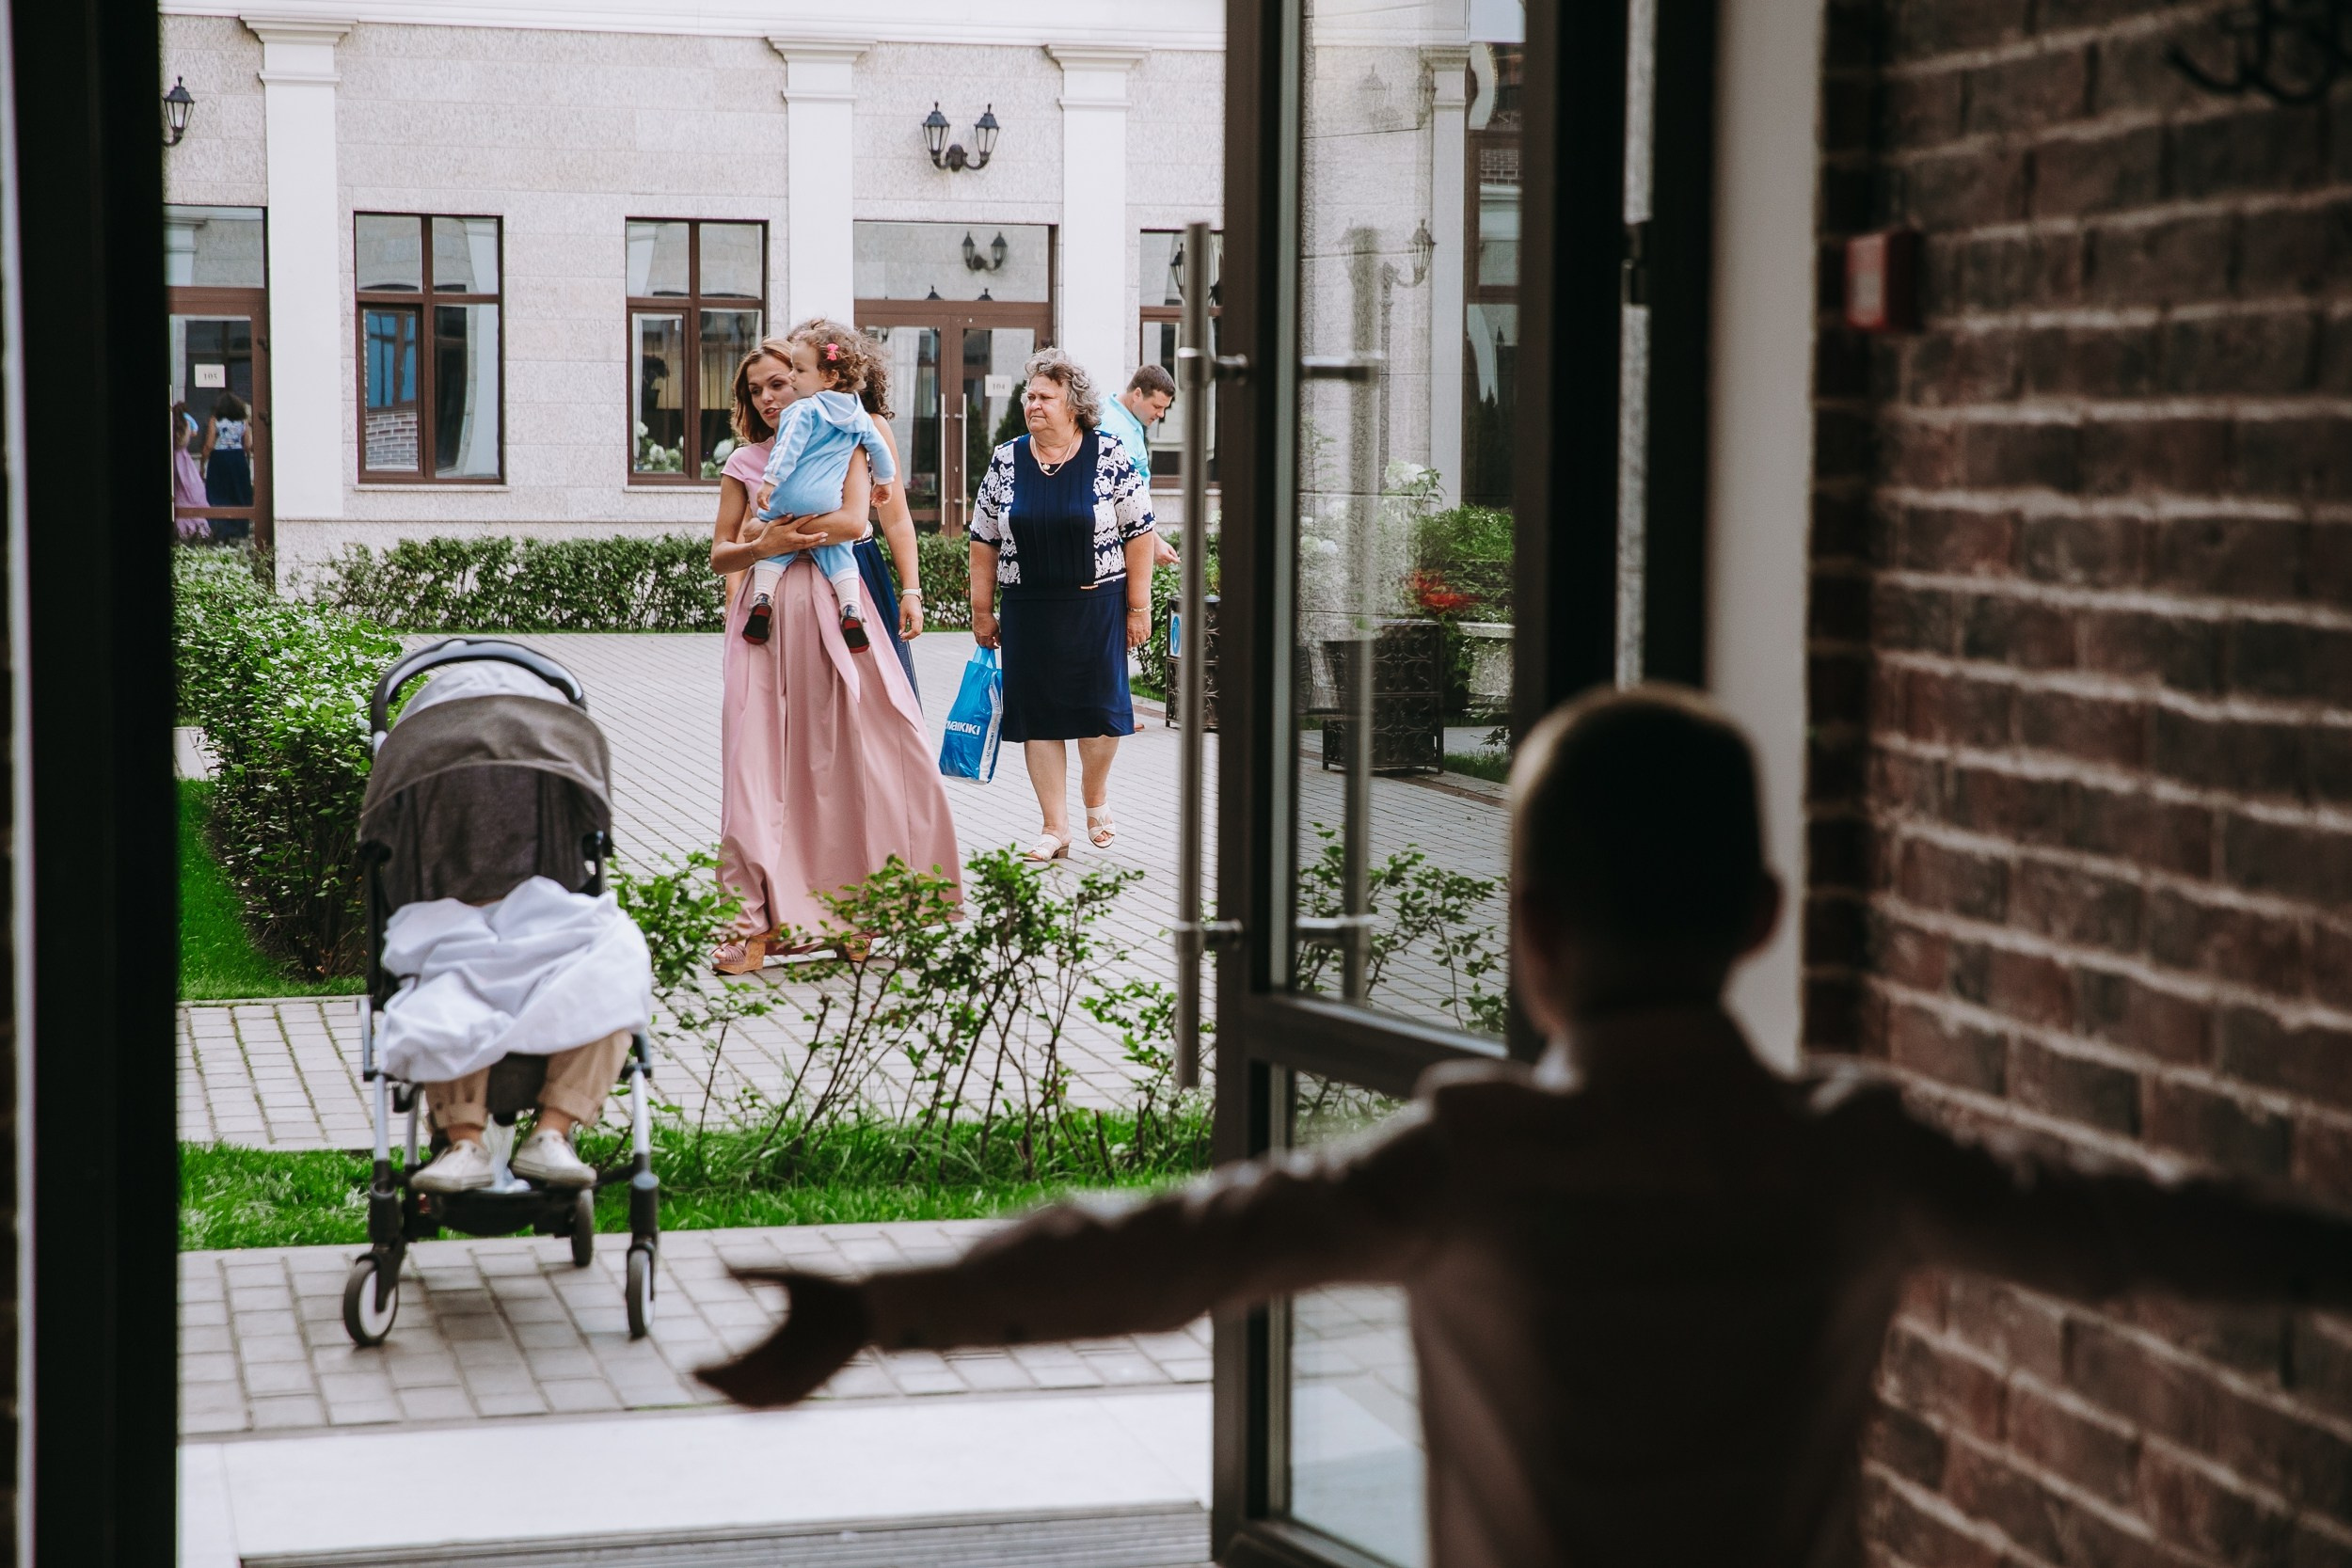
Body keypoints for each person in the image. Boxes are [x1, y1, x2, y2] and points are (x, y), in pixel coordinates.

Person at [698, 686, 2352, 1568]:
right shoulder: (1856, 1148)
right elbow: (2135, 1234)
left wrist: (877, 1309)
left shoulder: (1476, 1160)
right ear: (1767, 913)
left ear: (1533, 934)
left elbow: (1158, 1251)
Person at [709, 335, 961, 976]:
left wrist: (777, 535)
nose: (771, 396)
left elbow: (857, 522)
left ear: (808, 382)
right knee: (756, 767)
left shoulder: (846, 437)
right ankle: (753, 924)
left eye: (781, 382)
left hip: (832, 604)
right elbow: (721, 554)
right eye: (758, 389)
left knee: (854, 757)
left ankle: (856, 911)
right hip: (762, 628)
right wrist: (763, 544)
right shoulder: (743, 465)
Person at [967, 348, 1156, 860]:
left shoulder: (1109, 454)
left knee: (1099, 714)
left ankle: (1095, 797)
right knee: (1039, 718)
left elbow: (1140, 532)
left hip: (1096, 605)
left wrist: (1139, 608)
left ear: (1073, 405)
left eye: (1044, 397)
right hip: (1028, 609)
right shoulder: (1007, 459)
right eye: (1029, 396)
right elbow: (982, 538)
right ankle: (1056, 828)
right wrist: (982, 610)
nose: (1033, 404)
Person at [743, 323, 897, 651]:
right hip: (828, 501)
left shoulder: (803, 409)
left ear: (827, 377)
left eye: (798, 370)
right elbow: (880, 451)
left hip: (791, 497)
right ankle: (851, 609)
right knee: (840, 554)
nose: (794, 377)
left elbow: (788, 449)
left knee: (774, 541)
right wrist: (885, 482)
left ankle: (762, 599)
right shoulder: (857, 414)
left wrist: (770, 482)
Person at [852, 358, 924, 699]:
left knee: (877, 689)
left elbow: (896, 518)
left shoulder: (872, 426)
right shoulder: (790, 425)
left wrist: (911, 590)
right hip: (798, 561)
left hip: (858, 562)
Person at [1095, 365, 1183, 570]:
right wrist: (1153, 541)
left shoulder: (1114, 410)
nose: (1161, 414)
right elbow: (1123, 499)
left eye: (1164, 408)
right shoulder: (1118, 432)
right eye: (1156, 406)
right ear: (1137, 394)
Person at [201, 390, 254, 539]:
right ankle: (239, 531)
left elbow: (209, 445)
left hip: (219, 459)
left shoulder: (214, 420)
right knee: (239, 493)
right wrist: (246, 459)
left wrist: (203, 464)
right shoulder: (243, 421)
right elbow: (248, 445)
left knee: (218, 493)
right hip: (237, 458)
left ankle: (220, 530)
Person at [170, 403, 210, 543]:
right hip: (184, 460)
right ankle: (194, 528)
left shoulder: (172, 421)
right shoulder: (187, 421)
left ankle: (180, 528)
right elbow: (195, 431)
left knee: (178, 492)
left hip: (172, 458)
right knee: (190, 491)